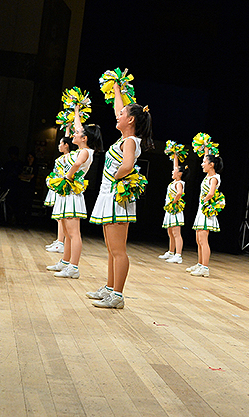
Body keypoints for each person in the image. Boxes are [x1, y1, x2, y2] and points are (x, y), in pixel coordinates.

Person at [86, 83, 154, 308]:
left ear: (132, 120)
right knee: (111, 249)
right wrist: (116, 91)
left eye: (123, 114)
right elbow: (118, 111)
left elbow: (127, 166)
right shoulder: (125, 138)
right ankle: (109, 288)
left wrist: (115, 177)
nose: (118, 116)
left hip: (117, 198)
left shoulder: (130, 142)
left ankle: (118, 295)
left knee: (118, 250)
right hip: (109, 195)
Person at [46, 107, 102, 278]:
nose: (73, 135)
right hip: (67, 192)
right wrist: (76, 109)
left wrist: (66, 178)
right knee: (66, 232)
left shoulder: (85, 152)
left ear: (84, 138)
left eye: (77, 133)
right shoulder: (82, 148)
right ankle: (65, 262)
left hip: (72, 193)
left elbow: (76, 165)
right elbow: (78, 125)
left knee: (73, 233)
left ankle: (74, 267)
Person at [186, 153, 224, 277]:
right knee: (199, 239)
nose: (202, 164)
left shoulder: (214, 178)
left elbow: (212, 193)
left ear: (211, 164)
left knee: (203, 240)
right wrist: (206, 146)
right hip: (201, 210)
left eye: (204, 162)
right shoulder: (208, 176)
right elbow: (208, 155)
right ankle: (200, 264)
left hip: (206, 211)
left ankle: (205, 267)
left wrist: (205, 202)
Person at [44, 129, 77, 253]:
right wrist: (67, 128)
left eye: (61, 143)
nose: (59, 146)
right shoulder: (64, 156)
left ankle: (60, 242)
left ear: (66, 145)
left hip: (63, 186)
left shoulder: (70, 157)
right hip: (58, 185)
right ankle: (59, 241)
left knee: (61, 217)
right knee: (59, 217)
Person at [160, 152, 187, 264]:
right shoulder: (174, 181)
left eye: (175, 171)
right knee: (170, 232)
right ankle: (171, 252)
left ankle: (178, 255)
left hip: (175, 210)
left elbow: (180, 193)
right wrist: (175, 155)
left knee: (176, 233)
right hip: (170, 210)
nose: (173, 171)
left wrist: (174, 201)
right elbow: (175, 167)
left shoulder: (179, 183)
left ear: (180, 173)